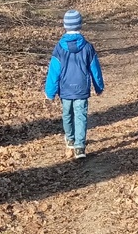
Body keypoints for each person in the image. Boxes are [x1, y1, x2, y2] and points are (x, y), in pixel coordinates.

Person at [44, 9, 104, 159]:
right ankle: (80, 147)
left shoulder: (59, 48)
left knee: (67, 115)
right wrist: (99, 86)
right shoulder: (87, 47)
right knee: (81, 116)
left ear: (65, 26)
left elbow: (54, 72)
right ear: (80, 25)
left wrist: (50, 91)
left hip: (65, 89)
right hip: (82, 89)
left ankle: (70, 139)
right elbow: (95, 69)